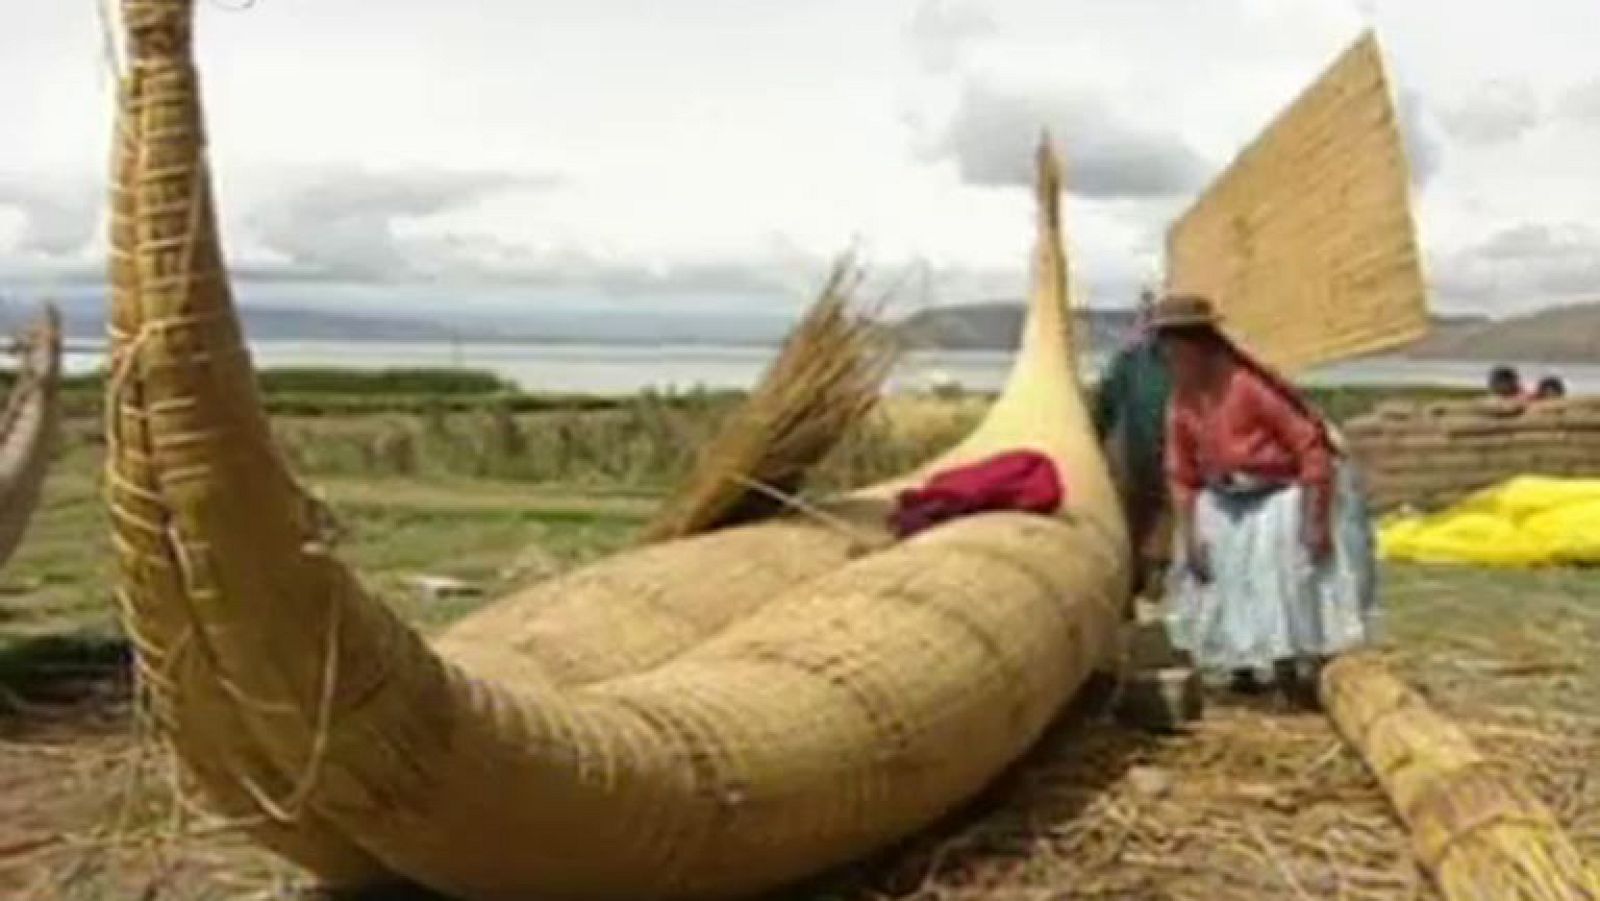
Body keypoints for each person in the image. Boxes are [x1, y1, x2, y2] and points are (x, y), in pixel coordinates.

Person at [1151, 294, 1375, 710]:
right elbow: (1180, 472)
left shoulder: (1249, 388)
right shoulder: (1183, 401)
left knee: (1276, 569)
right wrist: (1190, 534)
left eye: (1173, 347)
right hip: (1225, 495)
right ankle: (1242, 668)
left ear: (1200, 344)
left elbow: (1310, 449)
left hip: (1279, 491)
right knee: (1218, 566)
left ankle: (1292, 671)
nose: (1167, 358)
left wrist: (1315, 519)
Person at [1092, 288, 1173, 603]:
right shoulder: (1128, 362)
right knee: (1133, 519)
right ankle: (1130, 587)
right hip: (1138, 453)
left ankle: (1160, 577)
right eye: (1146, 317)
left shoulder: (1185, 358)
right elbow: (1105, 405)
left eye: (1155, 318)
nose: (1151, 325)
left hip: (1182, 454)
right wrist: (1094, 443)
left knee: (1174, 518)